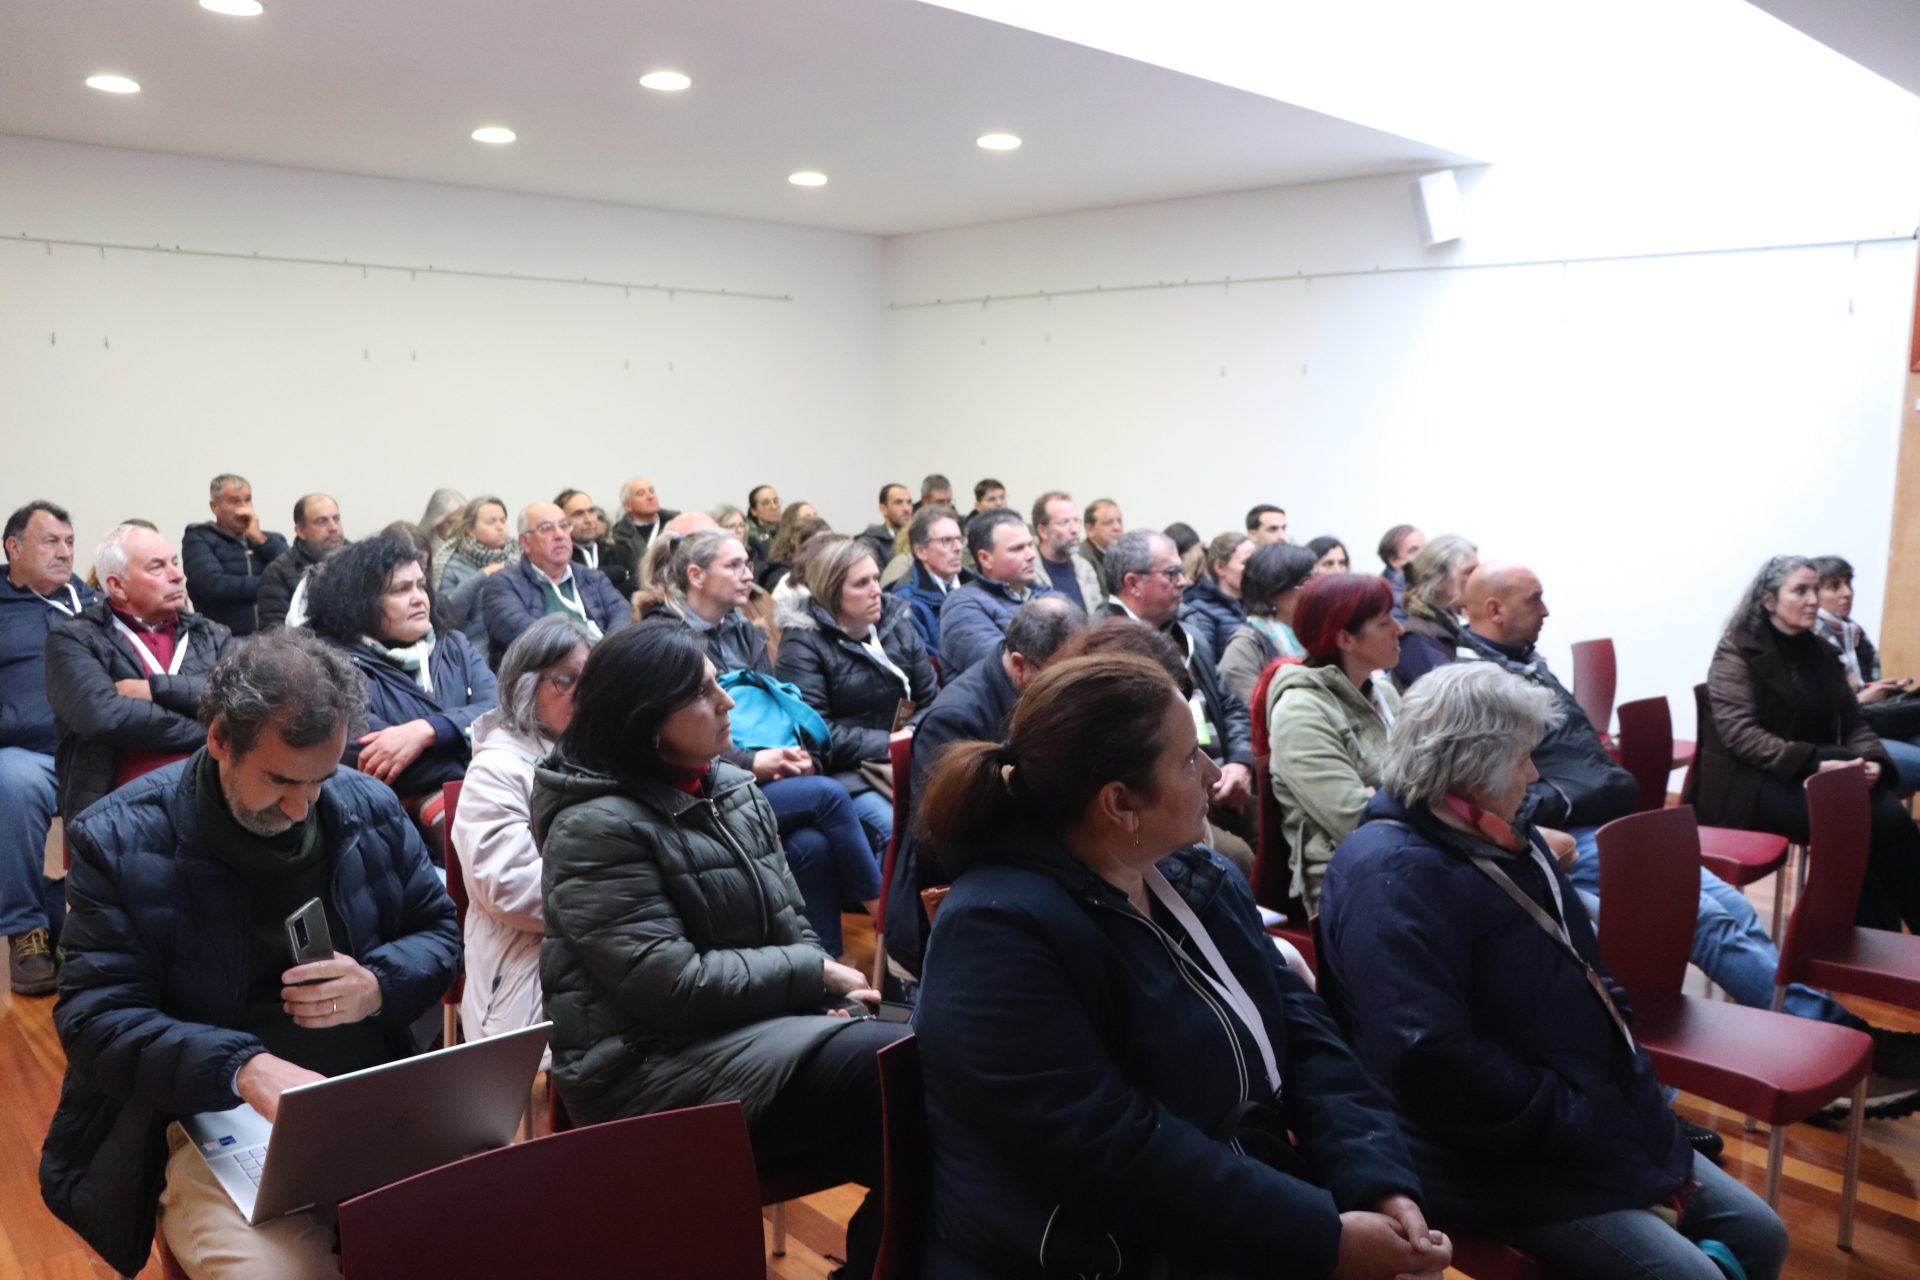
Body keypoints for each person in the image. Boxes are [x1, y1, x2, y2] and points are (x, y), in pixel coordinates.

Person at [912, 652, 1443, 1279]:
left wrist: (1377, 1183)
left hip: (1228, 1222)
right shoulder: (995, 932)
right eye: (1190, 759)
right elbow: (1111, 1151)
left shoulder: (1195, 878)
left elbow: (1305, 1037)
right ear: (1119, 802)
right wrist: (1323, 1238)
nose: (1215, 773)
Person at [1318, 663, 1789, 1280]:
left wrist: (1623, 1064)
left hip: (1584, 1107)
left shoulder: (1506, 834)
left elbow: (1586, 961)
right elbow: (1428, 1061)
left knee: (1761, 1235)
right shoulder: (1391, 874)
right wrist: (1578, 1111)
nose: (1535, 774)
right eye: (1522, 758)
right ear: (1474, 767)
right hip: (1489, 1154)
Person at [41, 629, 460, 1280]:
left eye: (320, 779)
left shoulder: (367, 805)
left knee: (491, 1231)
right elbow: (96, 1023)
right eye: (280, 781)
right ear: (219, 740)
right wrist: (243, 1068)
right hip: (210, 1119)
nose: (300, 807)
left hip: (370, 1099)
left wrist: (378, 984)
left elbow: (439, 932)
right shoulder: (118, 840)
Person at [1456, 560, 1920, 1109]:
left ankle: (1805, 1036)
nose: (1547, 610)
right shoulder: (1478, 686)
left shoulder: (1527, 664)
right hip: (1569, 837)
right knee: (1711, 921)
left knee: (1733, 908)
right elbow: (1501, 796)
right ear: (1495, 609)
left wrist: (1604, 787)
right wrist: (1590, 794)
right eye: (1535, 600)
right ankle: (1842, 1038)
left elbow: (1581, 759)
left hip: (1605, 820)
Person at [534, 620, 907, 1277]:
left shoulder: (730, 788)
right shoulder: (593, 826)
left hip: (752, 1035)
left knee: (942, 1050)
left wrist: (821, 1000)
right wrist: (813, 976)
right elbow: (672, 985)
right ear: (648, 721)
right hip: (648, 1071)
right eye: (704, 693)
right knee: (903, 1064)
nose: (728, 701)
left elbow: (792, 923)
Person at [639, 530, 890, 956]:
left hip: (755, 779)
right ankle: (888, 921)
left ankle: (825, 967)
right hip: (699, 790)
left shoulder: (744, 630)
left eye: (748, 564)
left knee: (810, 845)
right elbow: (676, 735)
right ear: (696, 575)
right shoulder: (665, 639)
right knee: (828, 796)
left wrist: (798, 755)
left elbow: (776, 710)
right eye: (733, 565)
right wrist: (752, 763)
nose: (747, 575)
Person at [1697, 555, 1920, 934]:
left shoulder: (1819, 651)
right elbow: (1741, 735)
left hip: (1815, 772)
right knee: (1866, 818)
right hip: (1750, 785)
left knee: (1886, 817)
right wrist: (1814, 765)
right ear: (1769, 600)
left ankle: (1868, 937)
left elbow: (1853, 721)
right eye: (1800, 591)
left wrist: (1872, 760)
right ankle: (1857, 937)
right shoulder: (1738, 650)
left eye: (1815, 589)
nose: (1813, 599)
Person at [883, 598, 1085, 982]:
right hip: (957, 899)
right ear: (1020, 664)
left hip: (1022, 872)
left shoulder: (1040, 696)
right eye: (1060, 673)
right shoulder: (956, 719)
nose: (1069, 684)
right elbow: (943, 839)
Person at [451, 614, 593, 1048]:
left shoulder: (600, 757)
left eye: (592, 679)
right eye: (566, 680)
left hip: (596, 970)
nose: (584, 693)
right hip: (525, 992)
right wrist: (621, 892)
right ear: (525, 687)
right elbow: (510, 888)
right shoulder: (497, 768)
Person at [305, 534, 498, 850]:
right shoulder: (332, 664)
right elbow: (371, 760)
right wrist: (472, 747)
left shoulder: (455, 646)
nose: (420, 598)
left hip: (478, 802)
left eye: (422, 586)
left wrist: (427, 731)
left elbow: (500, 715)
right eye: (401, 590)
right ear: (362, 602)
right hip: (386, 834)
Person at [45, 524, 236, 826]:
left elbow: (238, 704)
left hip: (213, 793)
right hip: (116, 804)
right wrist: (213, 730)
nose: (177, 575)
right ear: (117, 586)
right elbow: (103, 717)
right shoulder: (74, 638)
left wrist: (156, 689)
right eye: (157, 567)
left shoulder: (213, 635)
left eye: (175, 562)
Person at [776, 539, 937, 855]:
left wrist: (910, 734)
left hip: (908, 754)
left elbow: (931, 699)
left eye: (876, 578)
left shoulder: (897, 624)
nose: (877, 590)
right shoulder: (802, 643)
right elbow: (817, 733)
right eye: (862, 583)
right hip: (848, 773)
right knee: (898, 829)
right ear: (832, 592)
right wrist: (890, 743)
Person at [2, 500, 98, 993]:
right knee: (13, 783)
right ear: (13, 548)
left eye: (70, 542)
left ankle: (90, 921)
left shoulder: (91, 605)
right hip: (25, 752)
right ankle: (26, 931)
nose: (64, 552)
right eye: (50, 541)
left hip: (94, 747)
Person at [1266, 574, 1403, 911]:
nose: (1399, 630)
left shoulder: (1383, 692)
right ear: (1345, 638)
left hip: (1404, 852)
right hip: (1347, 878)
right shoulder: (1300, 712)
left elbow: (1430, 777)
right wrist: (1409, 796)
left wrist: (1381, 793)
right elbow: (1356, 820)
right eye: (1384, 622)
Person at [1811, 554, 1920, 788]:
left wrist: (1882, 689)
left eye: (1848, 584)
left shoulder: (1855, 633)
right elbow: (1814, 712)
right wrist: (1862, 698)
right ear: (1813, 595)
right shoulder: (1808, 637)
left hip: (1870, 724)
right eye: (1834, 587)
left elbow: (1867, 684)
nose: (1847, 593)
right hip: (1841, 736)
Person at [481, 502, 628, 667]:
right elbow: (524, 635)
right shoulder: (503, 584)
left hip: (603, 665)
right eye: (546, 528)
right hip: (542, 672)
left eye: (564, 526)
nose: (559, 535)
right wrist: (586, 653)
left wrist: (608, 651)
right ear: (525, 542)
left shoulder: (592, 577)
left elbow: (622, 612)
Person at [939, 509, 1053, 678]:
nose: (1031, 555)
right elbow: (1010, 671)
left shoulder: (1046, 594)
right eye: (1017, 549)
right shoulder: (962, 607)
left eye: (1029, 545)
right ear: (985, 559)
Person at [181, 473, 288, 637]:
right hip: (223, 638)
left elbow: (295, 574)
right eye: (234, 501)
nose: (244, 509)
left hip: (274, 637)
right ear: (214, 506)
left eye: (247, 500)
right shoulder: (198, 538)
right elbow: (215, 586)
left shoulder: (272, 540)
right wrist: (273, 584)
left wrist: (261, 540)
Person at [1217, 541, 1316, 706]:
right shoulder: (1244, 647)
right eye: (1305, 582)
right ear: (1273, 590)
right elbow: (1252, 711)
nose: (1314, 590)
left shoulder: (1316, 631)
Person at [436, 495, 518, 655]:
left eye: (503, 521)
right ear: (470, 530)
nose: (500, 527)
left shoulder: (518, 557)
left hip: (516, 649)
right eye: (491, 522)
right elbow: (448, 619)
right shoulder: (450, 564)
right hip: (473, 653)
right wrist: (481, 576)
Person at [1394, 533, 1477, 689]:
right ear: (1438, 580)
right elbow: (1452, 696)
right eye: (1469, 571)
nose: (1478, 578)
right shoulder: (1416, 638)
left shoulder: (1452, 624)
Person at [256, 493, 346, 630]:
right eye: (322, 521)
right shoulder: (278, 573)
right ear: (301, 531)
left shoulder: (359, 561)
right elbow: (275, 635)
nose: (334, 528)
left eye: (336, 519)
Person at [890, 505, 967, 659]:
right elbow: (927, 663)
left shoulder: (977, 583)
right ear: (921, 551)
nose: (958, 547)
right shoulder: (905, 601)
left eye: (959, 539)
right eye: (946, 541)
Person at [1179, 531, 1253, 657]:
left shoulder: (1260, 602)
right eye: (1246, 563)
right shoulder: (1200, 610)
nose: (1255, 568)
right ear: (1220, 567)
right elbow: (1205, 663)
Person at [1029, 490, 1103, 614]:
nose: (1074, 529)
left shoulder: (1085, 568)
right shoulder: (1027, 572)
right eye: (1064, 522)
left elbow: (1097, 616)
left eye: (1076, 521)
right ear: (1043, 531)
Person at [557, 488, 637, 596]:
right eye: (578, 514)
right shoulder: (560, 558)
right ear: (562, 522)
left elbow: (633, 589)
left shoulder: (621, 551)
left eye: (591, 511)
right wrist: (617, 573)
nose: (589, 520)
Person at [607, 475, 679, 562]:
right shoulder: (617, 536)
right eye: (641, 494)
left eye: (652, 491)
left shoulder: (677, 524)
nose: (650, 497)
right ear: (627, 505)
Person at [757, 501, 824, 593]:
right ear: (792, 527)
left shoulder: (821, 563)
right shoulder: (779, 572)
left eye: (815, 515)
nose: (815, 520)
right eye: (807, 517)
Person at [418, 487, 466, 591]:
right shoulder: (418, 549)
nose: (457, 528)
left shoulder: (469, 551)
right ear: (437, 520)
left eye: (461, 523)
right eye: (451, 523)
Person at [858, 482, 914, 570]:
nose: (906, 509)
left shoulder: (918, 538)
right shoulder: (871, 543)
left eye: (909, 502)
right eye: (898, 502)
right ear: (883, 509)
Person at [1378, 524, 1425, 610]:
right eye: (1413, 550)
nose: (1424, 555)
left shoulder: (1422, 587)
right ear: (1394, 560)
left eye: (1425, 548)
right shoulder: (1389, 601)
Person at [1079, 497, 1123, 586]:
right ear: (1090, 529)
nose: (1117, 527)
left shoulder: (1122, 553)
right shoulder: (1081, 560)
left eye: (1119, 521)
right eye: (1109, 523)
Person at [745, 483, 781, 571]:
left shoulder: (789, 531)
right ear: (754, 511)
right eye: (766, 503)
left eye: (776, 501)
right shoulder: (749, 536)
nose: (773, 507)